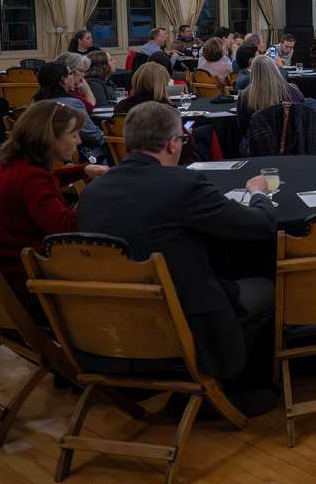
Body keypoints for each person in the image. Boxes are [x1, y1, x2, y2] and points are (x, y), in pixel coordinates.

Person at [76, 102, 278, 412]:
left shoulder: (92, 192)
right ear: (173, 143)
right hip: (185, 320)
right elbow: (260, 226)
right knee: (268, 288)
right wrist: (259, 194)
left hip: (112, 323)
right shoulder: (183, 185)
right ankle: (239, 385)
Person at [0, 100, 107, 300]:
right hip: (31, 278)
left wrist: (83, 170)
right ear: (50, 138)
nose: (78, 142)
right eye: (74, 135)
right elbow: (66, 228)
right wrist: (95, 195)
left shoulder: (15, 165)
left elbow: (49, 181)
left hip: (9, 265)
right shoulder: (32, 177)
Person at [33, 62, 104, 149]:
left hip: (43, 151)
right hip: (73, 153)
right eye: (71, 73)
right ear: (63, 79)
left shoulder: (35, 103)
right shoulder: (72, 104)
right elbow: (93, 136)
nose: (73, 76)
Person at [237, 55, 307, 141]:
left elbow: (242, 128)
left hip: (259, 145)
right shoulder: (293, 90)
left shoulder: (245, 96)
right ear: (275, 69)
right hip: (292, 142)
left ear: (253, 72)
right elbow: (303, 115)